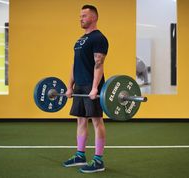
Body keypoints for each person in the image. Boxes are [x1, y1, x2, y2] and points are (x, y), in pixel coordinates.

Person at [63, 5, 109, 173]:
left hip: (91, 85)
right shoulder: (79, 40)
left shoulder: (99, 38)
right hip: (80, 85)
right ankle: (80, 155)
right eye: (80, 15)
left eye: (84, 15)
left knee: (97, 120)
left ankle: (98, 160)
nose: (80, 18)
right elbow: (75, 65)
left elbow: (99, 64)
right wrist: (69, 86)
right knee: (81, 120)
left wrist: (95, 88)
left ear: (94, 18)